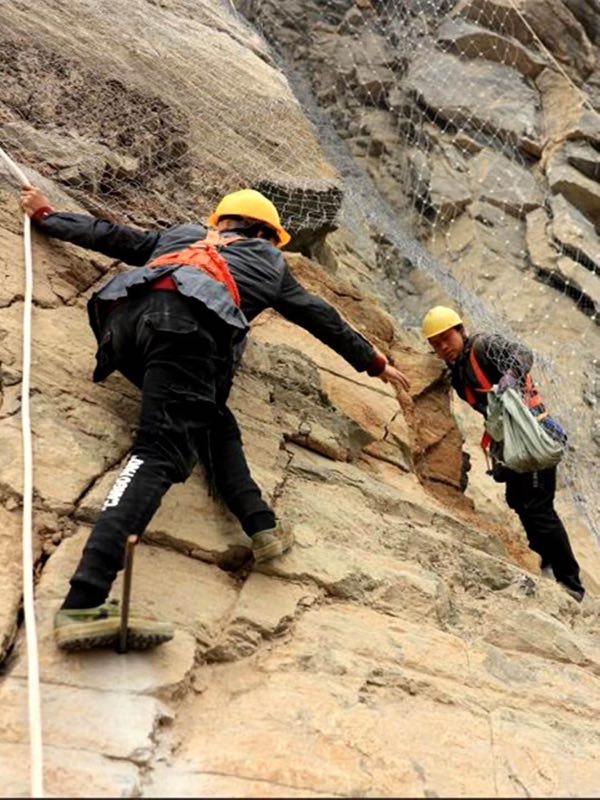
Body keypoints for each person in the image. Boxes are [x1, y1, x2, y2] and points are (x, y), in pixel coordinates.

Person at [21, 185, 411, 650]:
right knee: (158, 453)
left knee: (207, 416)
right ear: (266, 234)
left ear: (221, 222)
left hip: (121, 327)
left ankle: (260, 525)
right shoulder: (270, 262)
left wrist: (46, 215)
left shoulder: (183, 236)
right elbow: (318, 315)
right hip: (184, 329)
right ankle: (85, 600)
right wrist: (375, 363)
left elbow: (111, 236)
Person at [422, 305, 585, 602]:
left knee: (538, 507)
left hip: (534, 434)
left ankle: (570, 583)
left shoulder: (484, 346)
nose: (443, 347)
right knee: (518, 501)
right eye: (435, 344)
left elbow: (523, 354)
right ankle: (544, 560)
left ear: (460, 330)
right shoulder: (457, 370)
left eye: (446, 338)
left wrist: (510, 376)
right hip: (512, 442)